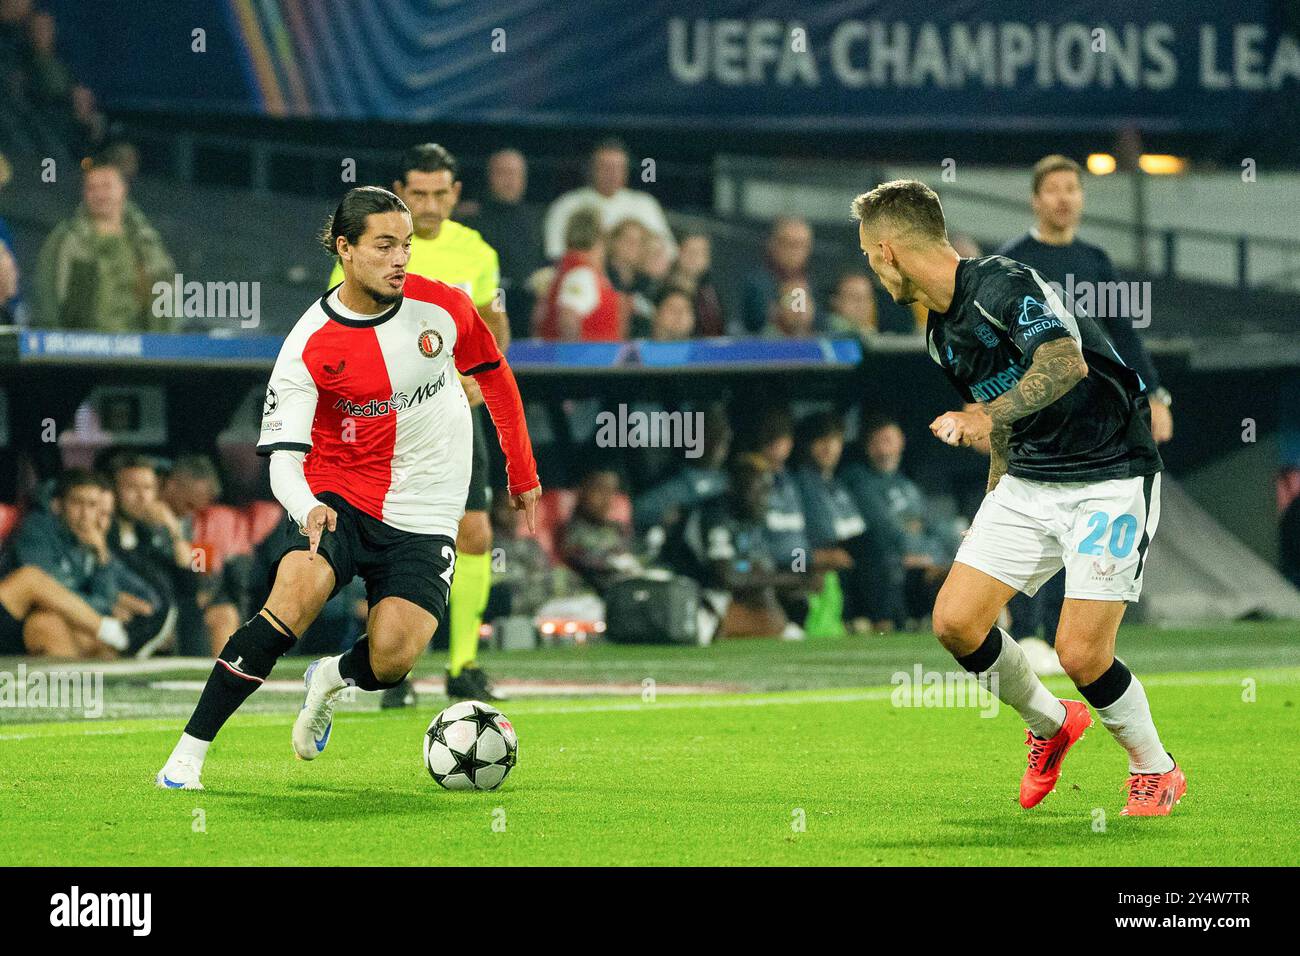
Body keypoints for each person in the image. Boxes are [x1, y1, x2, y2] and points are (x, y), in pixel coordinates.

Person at [155, 186, 540, 791]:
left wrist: (522, 472)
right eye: (384, 246)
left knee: (392, 660)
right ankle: (188, 755)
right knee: (292, 601)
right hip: (340, 493)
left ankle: (331, 677)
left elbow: (495, 375)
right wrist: (305, 504)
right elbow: (284, 458)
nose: (400, 259)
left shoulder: (442, 307)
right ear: (346, 250)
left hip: (428, 506)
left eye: (406, 246)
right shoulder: (308, 344)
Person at [852, 179, 1183, 817]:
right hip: (1030, 479)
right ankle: (1051, 723)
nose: (870, 268)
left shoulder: (1004, 283)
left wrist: (982, 416)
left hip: (1110, 474)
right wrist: (994, 497)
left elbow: (1066, 364)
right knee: (955, 621)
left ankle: (1155, 767)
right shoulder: (939, 335)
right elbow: (1003, 424)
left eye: (869, 253)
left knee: (1081, 652)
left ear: (889, 251)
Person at [331, 143, 511, 705]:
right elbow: (342, 323)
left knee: (475, 531)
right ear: (400, 192)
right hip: (388, 419)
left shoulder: (477, 252)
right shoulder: (371, 245)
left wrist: (485, 374)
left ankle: (463, 666)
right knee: (392, 533)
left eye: (441, 193)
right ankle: (392, 668)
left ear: (456, 194)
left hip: (455, 415)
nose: (430, 205)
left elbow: (494, 319)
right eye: (419, 193)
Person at [997, 154, 1174, 657]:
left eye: (1072, 189)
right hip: (1039, 416)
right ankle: (1027, 629)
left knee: (1081, 523)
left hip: (1095, 419)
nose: (1063, 198)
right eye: (1053, 189)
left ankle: (1061, 635)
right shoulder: (1014, 261)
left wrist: (1154, 394)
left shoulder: (1096, 262)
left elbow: (1125, 339)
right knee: (1034, 516)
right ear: (1036, 199)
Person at [0, 469, 147, 657]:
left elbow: (106, 599)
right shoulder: (37, 529)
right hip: (11, 610)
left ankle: (88, 681)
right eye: (77, 503)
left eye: (92, 505)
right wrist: (101, 613)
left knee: (50, 624)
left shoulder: (91, 540)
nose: (85, 514)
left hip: (32, 623)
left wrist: (102, 556)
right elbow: (50, 592)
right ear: (58, 505)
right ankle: (109, 631)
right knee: (31, 578)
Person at [34, 152, 176, 331]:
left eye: (106, 186)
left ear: (123, 189)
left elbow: (166, 295)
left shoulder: (147, 243)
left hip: (138, 350)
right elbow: (47, 296)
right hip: (80, 350)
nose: (99, 194)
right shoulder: (66, 239)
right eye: (91, 188)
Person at [841, 416, 958, 629]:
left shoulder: (907, 486)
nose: (883, 450)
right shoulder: (861, 483)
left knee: (957, 563)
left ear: (901, 442)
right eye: (876, 443)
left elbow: (930, 526)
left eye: (888, 441)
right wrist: (914, 549)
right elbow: (884, 530)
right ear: (867, 448)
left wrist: (936, 557)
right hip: (895, 568)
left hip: (926, 563)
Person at [456, 148, 546, 342]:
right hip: (484, 309)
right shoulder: (470, 221)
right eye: (502, 173)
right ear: (489, 176)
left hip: (527, 312)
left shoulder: (539, 220)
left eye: (514, 173)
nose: (509, 180)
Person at [542, 138, 675, 261]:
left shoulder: (644, 203)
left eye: (618, 168)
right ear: (591, 169)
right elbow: (555, 252)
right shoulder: (568, 204)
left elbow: (669, 251)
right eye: (606, 167)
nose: (612, 174)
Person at [534, 208, 622, 341]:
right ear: (600, 237)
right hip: (589, 359)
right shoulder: (582, 275)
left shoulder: (567, 269)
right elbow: (568, 318)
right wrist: (575, 358)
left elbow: (538, 317)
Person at [558, 467, 643, 595]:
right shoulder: (573, 533)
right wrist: (615, 562)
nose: (607, 499)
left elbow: (639, 552)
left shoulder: (617, 528)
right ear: (581, 491)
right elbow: (583, 563)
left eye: (611, 491)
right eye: (600, 490)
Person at [740, 217, 814, 334]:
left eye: (802, 245)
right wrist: (780, 313)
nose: (796, 252)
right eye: (790, 244)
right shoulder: (756, 282)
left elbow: (822, 322)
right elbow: (753, 322)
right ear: (773, 245)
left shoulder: (811, 282)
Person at [665, 232, 723, 336]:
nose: (694, 257)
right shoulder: (661, 288)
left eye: (700, 253)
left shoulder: (712, 297)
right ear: (678, 252)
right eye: (689, 251)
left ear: (708, 259)